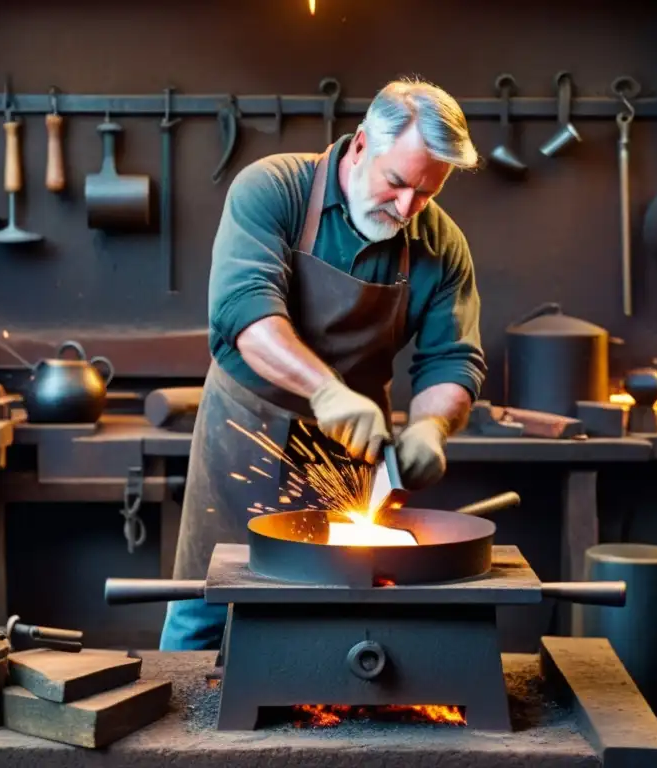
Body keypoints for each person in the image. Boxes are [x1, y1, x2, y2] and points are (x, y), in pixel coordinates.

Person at [159, 77, 487, 651]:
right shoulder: (274, 189)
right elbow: (245, 312)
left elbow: (451, 362)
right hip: (244, 432)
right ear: (361, 145)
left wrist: (434, 424)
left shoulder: (442, 245)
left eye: (427, 194)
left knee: (333, 612)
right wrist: (327, 392)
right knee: (203, 603)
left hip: (352, 447)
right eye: (396, 182)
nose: (407, 207)